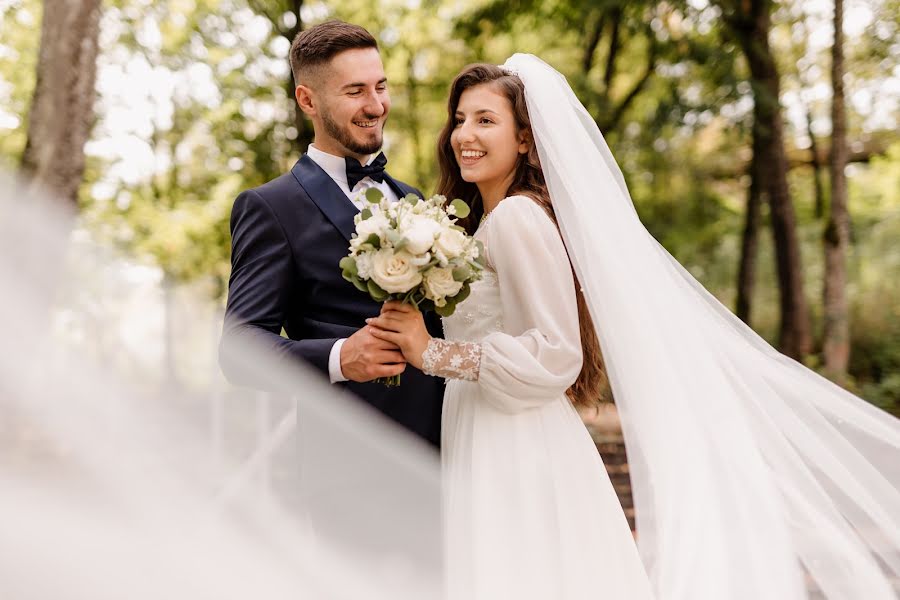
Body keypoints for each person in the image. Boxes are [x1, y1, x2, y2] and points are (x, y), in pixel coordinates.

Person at [367, 55, 900, 599]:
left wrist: (430, 352)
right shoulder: (487, 224)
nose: (465, 135)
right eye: (459, 119)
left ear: (526, 140)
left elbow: (555, 354)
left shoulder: (518, 218)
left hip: (515, 437)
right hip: (488, 423)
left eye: (486, 120)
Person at [219, 20, 443, 447]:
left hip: (444, 451)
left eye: (381, 86)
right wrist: (341, 358)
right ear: (308, 100)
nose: (376, 106)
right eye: (355, 91)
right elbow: (239, 352)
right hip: (349, 466)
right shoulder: (270, 207)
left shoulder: (412, 197)